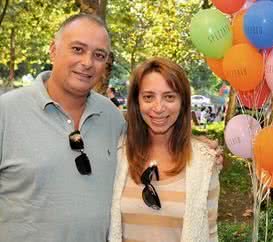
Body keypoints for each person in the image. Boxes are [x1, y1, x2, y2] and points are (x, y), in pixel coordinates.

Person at [0, 14, 125, 242]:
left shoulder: (113, 118)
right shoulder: (5, 113)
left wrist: (198, 147)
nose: (87, 62)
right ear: (53, 50)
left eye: (99, 55)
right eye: (78, 49)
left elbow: (151, 152)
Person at [109, 57, 221, 242]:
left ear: (183, 103)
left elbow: (209, 233)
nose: (158, 107)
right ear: (137, 102)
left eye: (169, 97)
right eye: (148, 97)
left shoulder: (205, 162)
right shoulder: (117, 152)